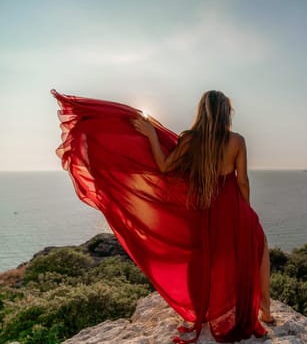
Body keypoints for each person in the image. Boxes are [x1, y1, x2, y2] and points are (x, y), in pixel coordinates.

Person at [52, 89, 273, 343]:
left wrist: (150, 137)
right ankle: (264, 308)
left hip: (204, 208)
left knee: (205, 256)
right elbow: (242, 180)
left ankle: (204, 310)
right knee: (258, 245)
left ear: (202, 111)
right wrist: (245, 211)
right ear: (227, 112)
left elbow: (165, 168)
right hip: (233, 205)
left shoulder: (190, 139)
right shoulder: (237, 140)